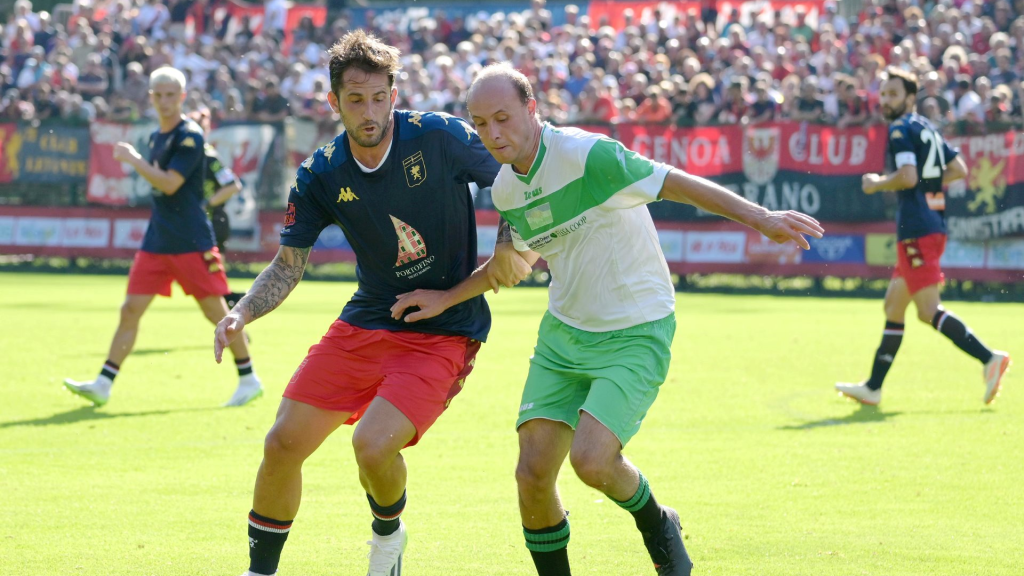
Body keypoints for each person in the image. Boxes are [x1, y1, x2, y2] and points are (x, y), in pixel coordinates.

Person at [389, 63, 824, 576]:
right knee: (532, 475)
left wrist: (761, 217)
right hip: (563, 336)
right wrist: (447, 297)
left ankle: (657, 522)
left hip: (636, 328)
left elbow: (673, 182)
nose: (493, 133)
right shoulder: (506, 189)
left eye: (503, 118)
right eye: (481, 124)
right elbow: (516, 264)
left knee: (592, 461)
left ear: (532, 109)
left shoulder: (586, 154)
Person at [212, 31, 501, 576]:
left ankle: (388, 538)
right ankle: (259, 571)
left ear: (394, 95)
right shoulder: (320, 173)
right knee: (281, 443)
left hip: (444, 329)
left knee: (372, 445)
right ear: (333, 102)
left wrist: (505, 249)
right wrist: (240, 311)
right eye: (355, 100)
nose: (368, 112)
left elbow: (516, 181)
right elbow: (287, 266)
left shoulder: (440, 136)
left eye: (377, 98)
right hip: (367, 319)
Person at [63, 66, 262, 408]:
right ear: (151, 97)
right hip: (158, 238)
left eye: (171, 95)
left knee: (216, 312)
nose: (165, 101)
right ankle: (103, 383)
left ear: (182, 97)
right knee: (130, 310)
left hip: (190, 240)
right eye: (159, 95)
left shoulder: (190, 136)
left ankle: (249, 378)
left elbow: (170, 184)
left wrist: (133, 159)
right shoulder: (158, 136)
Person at [836, 68, 1011, 406]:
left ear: (910, 98)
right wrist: (927, 184)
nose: (886, 100)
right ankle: (873, 387)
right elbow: (958, 169)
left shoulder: (900, 128)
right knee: (894, 305)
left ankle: (989, 358)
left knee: (928, 310)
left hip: (917, 227)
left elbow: (907, 176)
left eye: (893, 94)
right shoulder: (925, 126)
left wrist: (877, 183)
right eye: (883, 94)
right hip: (931, 223)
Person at [190, 108, 248, 308]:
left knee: (214, 275)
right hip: (199, 222)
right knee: (210, 276)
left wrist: (206, 204)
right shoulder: (188, 158)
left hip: (213, 221)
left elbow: (233, 185)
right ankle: (230, 302)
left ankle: (232, 303)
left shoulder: (209, 158)